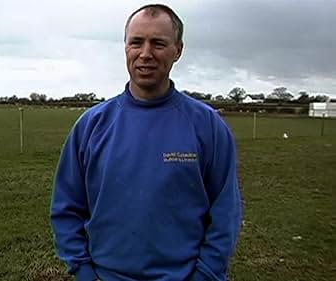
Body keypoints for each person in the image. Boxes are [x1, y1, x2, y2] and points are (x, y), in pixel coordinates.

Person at [50, 3, 242, 281]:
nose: (146, 54)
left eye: (159, 43)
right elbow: (66, 208)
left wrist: (205, 275)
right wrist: (84, 272)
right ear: (125, 47)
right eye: (136, 42)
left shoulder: (208, 125)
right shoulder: (91, 125)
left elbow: (226, 214)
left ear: (178, 50)